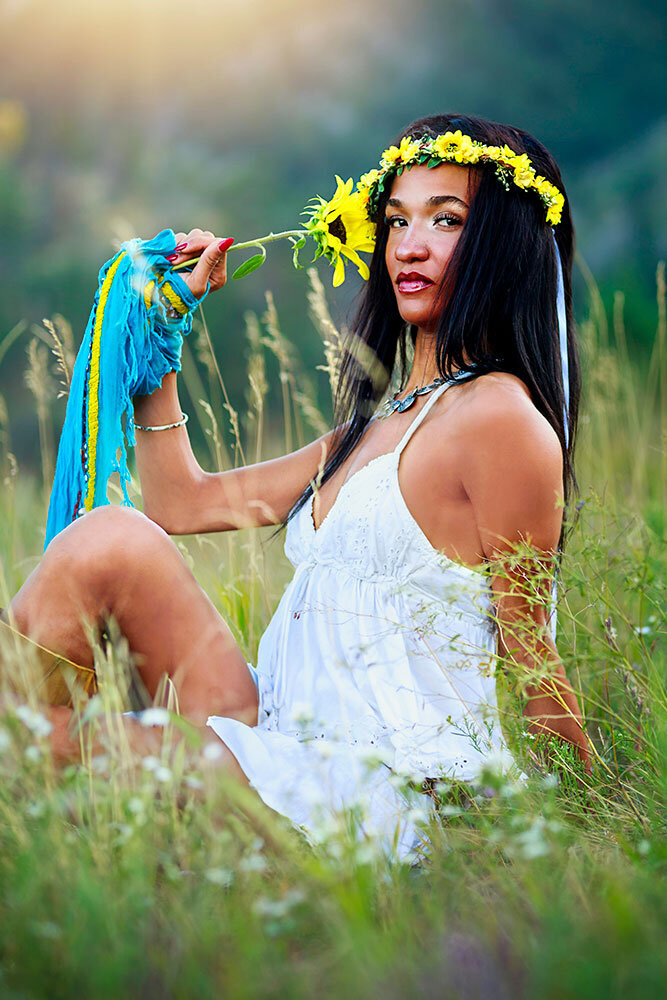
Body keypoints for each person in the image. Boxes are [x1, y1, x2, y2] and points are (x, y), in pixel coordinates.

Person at [2, 113, 590, 861]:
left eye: (446, 220)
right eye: (397, 220)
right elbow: (180, 503)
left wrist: (589, 829)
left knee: (49, 745)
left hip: (371, 782)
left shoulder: (498, 419)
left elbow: (530, 651)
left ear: (503, 244)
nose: (408, 245)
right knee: (108, 539)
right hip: (277, 724)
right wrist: (164, 327)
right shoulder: (370, 431)